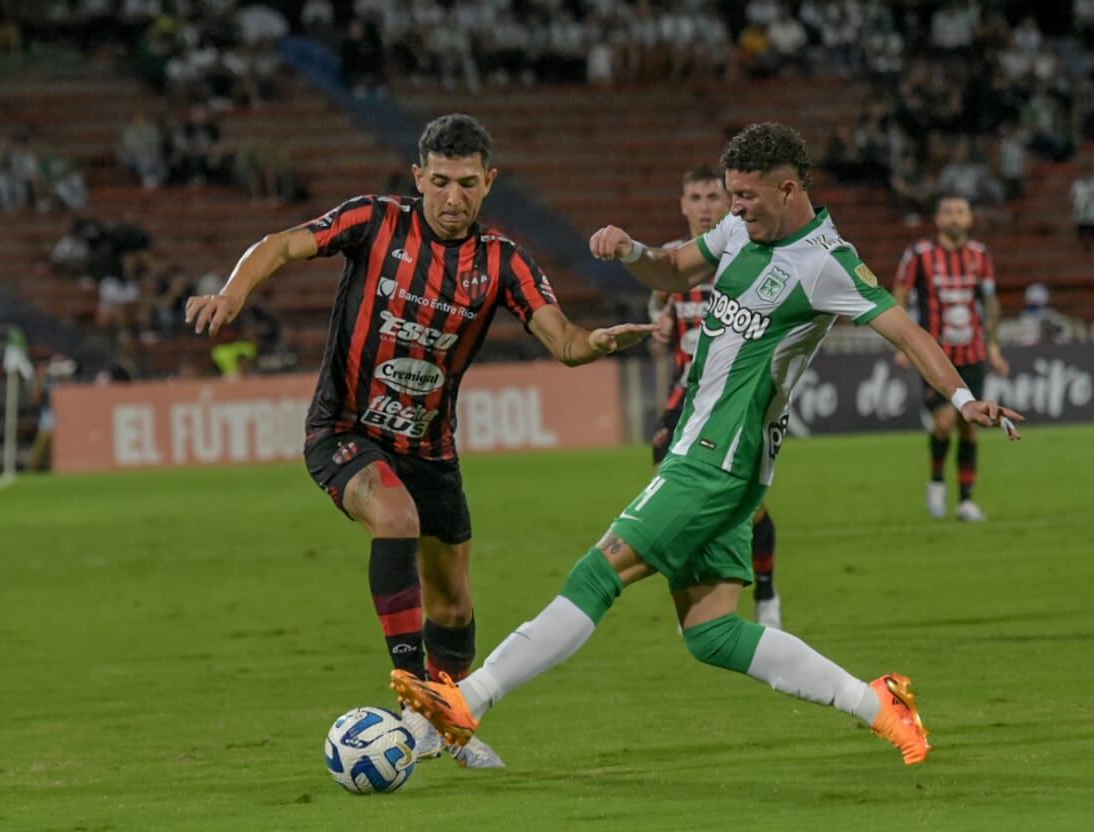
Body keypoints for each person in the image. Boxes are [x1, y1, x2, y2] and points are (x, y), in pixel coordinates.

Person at [392, 123, 1022, 769]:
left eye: (746, 196)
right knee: (712, 631)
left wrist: (962, 398)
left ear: (787, 188)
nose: (734, 208)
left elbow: (907, 330)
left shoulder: (826, 263)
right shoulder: (736, 234)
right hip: (727, 461)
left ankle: (468, 700)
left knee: (597, 573)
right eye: (730, 194)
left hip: (717, 456)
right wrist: (631, 248)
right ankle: (879, 702)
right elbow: (669, 267)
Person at [185, 113, 652, 767]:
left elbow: (564, 339)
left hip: (431, 448)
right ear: (418, 178)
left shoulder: (502, 262)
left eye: (466, 183)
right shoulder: (375, 222)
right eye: (439, 181)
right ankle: (412, 705)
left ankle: (444, 720)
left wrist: (596, 344)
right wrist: (234, 293)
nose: (452, 197)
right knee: (393, 515)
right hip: (343, 429)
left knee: (454, 603)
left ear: (489, 182)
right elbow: (284, 243)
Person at [648, 165, 782, 628]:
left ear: (725, 203)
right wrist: (661, 325)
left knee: (750, 506)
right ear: (683, 205)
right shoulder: (671, 258)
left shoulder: (748, 252)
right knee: (665, 484)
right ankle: (703, 592)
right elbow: (659, 307)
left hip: (734, 403)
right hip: (683, 397)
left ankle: (766, 593)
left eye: (712, 196)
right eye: (696, 197)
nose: (705, 206)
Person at [892, 195, 1009, 522]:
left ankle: (966, 501)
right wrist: (902, 345)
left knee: (970, 426)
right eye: (948, 212)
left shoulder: (980, 255)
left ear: (970, 219)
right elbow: (900, 294)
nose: (955, 218)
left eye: (961, 212)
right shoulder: (919, 254)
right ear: (938, 219)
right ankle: (937, 481)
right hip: (935, 355)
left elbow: (990, 304)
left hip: (972, 354)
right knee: (944, 422)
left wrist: (995, 349)